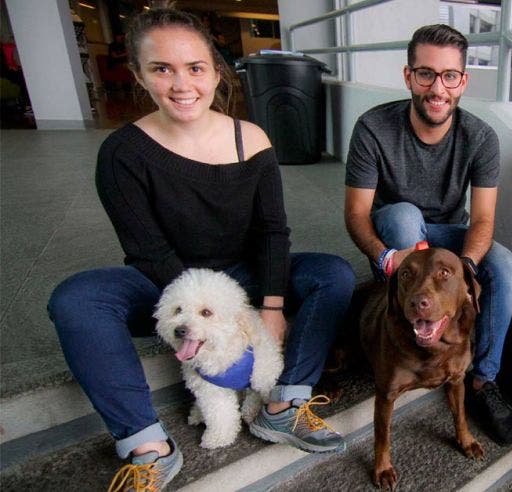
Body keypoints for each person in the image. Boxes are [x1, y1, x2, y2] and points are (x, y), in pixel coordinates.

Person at [47, 7, 353, 491]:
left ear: (216, 72)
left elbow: (273, 232)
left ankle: (282, 404)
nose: (181, 83)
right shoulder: (123, 153)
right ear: (139, 76)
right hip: (163, 283)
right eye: (161, 68)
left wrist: (271, 307)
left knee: (332, 274)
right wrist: (190, 323)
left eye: (195, 68)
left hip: (244, 276)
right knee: (76, 299)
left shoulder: (250, 139)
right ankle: (147, 445)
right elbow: (146, 249)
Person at [344, 24, 512, 445]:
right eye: (425, 74)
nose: (436, 87)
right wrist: (386, 260)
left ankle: (482, 379)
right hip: (398, 233)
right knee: (404, 214)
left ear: (463, 81)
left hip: (450, 236)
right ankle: (414, 346)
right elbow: (355, 213)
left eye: (449, 76)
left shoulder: (480, 137)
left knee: (505, 262)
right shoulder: (374, 127)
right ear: (409, 76)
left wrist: (466, 269)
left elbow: (482, 221)